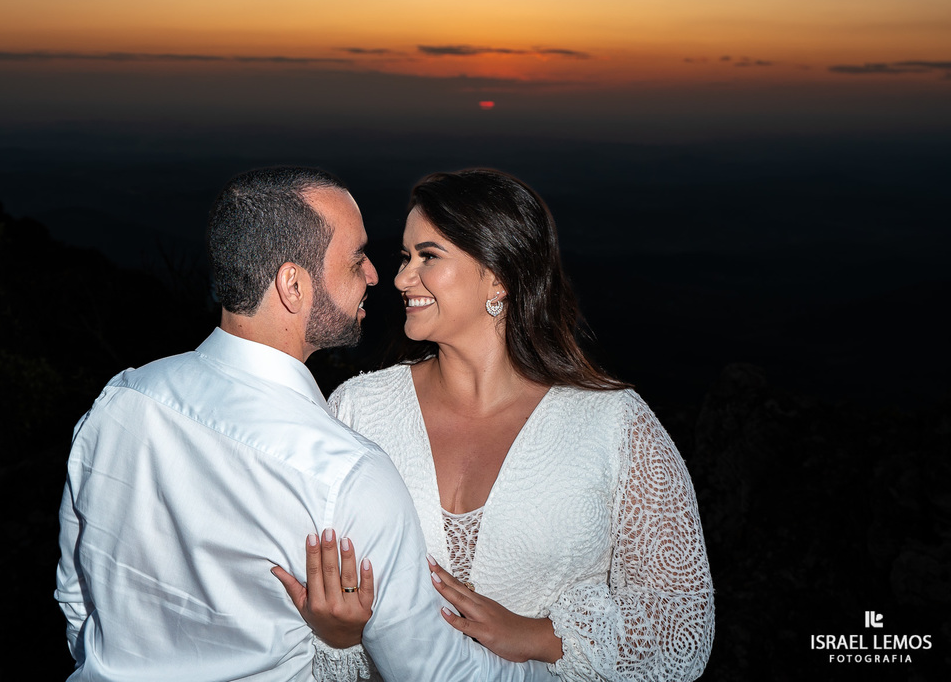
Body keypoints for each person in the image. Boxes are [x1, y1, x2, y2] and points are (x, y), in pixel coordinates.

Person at [54, 167, 558, 682]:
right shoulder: (347, 474)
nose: (374, 276)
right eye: (356, 259)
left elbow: (78, 601)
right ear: (293, 285)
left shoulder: (120, 402)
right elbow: (433, 670)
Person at [286, 169, 714, 682]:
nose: (400, 278)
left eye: (428, 256)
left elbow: (681, 632)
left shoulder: (613, 425)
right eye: (405, 257)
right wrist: (338, 638)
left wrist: (538, 636)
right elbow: (306, 595)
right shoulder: (358, 409)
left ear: (498, 276)